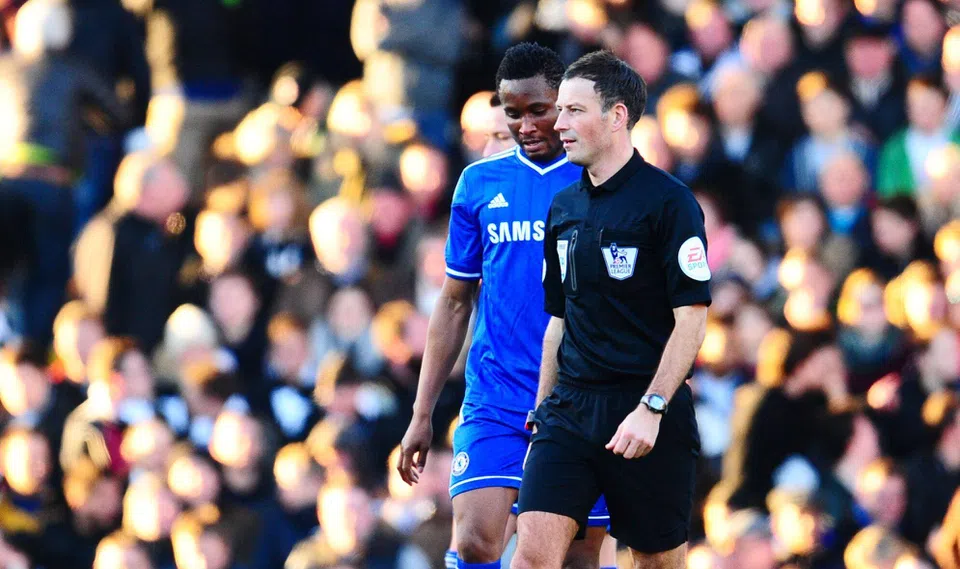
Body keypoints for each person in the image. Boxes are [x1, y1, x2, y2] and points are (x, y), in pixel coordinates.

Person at [396, 43, 614, 569]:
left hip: (580, 400)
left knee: (577, 557)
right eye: (512, 113)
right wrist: (422, 412)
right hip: (494, 396)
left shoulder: (603, 181)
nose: (526, 125)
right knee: (474, 542)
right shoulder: (478, 183)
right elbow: (453, 302)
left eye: (538, 110)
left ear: (563, 105)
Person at [513, 50, 711, 569]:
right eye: (559, 111)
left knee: (653, 562)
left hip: (645, 408)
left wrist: (652, 408)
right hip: (569, 411)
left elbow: (692, 318)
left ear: (617, 116)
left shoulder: (670, 203)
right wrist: (542, 409)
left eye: (574, 111)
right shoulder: (563, 207)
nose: (559, 124)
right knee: (531, 556)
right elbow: (558, 320)